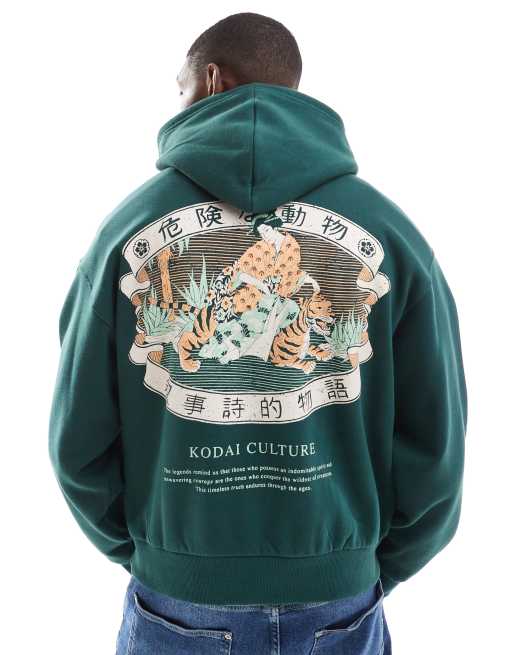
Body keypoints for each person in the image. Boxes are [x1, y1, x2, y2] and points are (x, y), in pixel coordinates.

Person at [48, 12, 467, 655]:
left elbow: (77, 442)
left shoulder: (123, 232)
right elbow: (437, 446)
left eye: (181, 87)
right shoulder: (392, 233)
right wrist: (355, 566)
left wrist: (162, 557)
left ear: (213, 80)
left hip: (176, 598)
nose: (179, 103)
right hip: (340, 601)